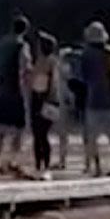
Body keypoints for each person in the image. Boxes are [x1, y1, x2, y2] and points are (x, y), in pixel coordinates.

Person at [0, 15, 33, 174]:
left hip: (1, 89)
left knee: (0, 128)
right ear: (25, 30)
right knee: (19, 128)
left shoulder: (1, 45)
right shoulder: (22, 46)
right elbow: (25, 68)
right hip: (16, 90)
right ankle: (13, 160)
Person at [79, 21, 110, 176]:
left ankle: (97, 168)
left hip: (93, 100)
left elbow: (83, 77)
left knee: (92, 138)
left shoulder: (85, 55)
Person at [27, 32, 62, 179]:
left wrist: (48, 99)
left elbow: (52, 83)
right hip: (37, 98)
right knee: (37, 135)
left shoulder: (50, 62)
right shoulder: (39, 61)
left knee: (42, 134)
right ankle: (38, 165)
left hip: (46, 99)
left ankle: (45, 166)